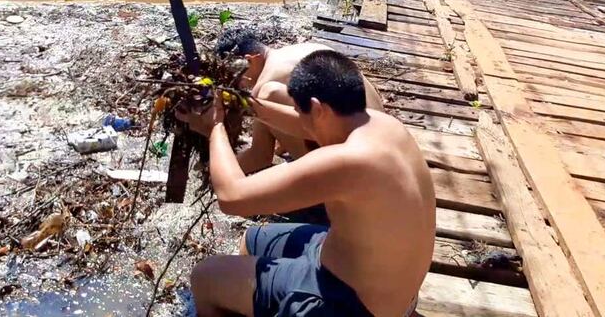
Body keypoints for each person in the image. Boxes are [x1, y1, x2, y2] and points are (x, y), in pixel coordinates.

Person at [180, 50, 435, 317]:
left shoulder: (348, 163)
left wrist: (215, 128)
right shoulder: (383, 126)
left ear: (317, 108)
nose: (303, 125)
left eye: (302, 113)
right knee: (252, 239)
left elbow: (232, 197)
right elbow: (307, 126)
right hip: (369, 276)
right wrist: (246, 105)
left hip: (354, 304)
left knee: (204, 277)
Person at [214, 27, 384, 173]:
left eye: (235, 77)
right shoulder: (304, 48)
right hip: (381, 139)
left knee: (268, 95)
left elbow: (260, 156)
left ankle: (320, 191)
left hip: (358, 166)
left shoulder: (265, 83)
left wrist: (216, 172)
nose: (238, 84)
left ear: (249, 60)